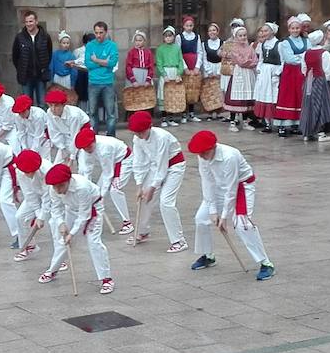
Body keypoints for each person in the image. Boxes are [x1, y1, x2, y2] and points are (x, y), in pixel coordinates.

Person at [187, 130, 275, 281]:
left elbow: (231, 189)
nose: (200, 156)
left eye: (203, 152)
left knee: (242, 225)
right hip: (219, 188)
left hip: (241, 187)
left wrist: (224, 217)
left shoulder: (230, 156)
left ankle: (265, 263)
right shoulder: (203, 157)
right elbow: (207, 183)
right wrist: (213, 211)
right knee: (201, 218)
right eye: (199, 153)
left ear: (213, 147)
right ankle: (208, 255)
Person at [41, 163, 114, 294]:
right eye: (55, 187)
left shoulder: (82, 187)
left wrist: (72, 233)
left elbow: (83, 215)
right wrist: (61, 223)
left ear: (68, 181)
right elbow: (56, 208)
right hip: (71, 209)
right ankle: (52, 269)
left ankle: (106, 279)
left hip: (92, 209)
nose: (58, 190)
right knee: (63, 241)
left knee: (94, 242)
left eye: (61, 186)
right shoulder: (53, 188)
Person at [128, 110, 187, 252]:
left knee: (166, 202)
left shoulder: (161, 137)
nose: (139, 136)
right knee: (143, 198)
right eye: (136, 133)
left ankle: (179, 240)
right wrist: (139, 185)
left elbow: (162, 165)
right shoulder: (137, 139)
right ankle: (142, 232)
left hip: (174, 165)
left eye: (141, 132)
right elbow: (139, 161)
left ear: (149, 127)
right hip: (156, 166)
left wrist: (153, 188)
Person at [74, 127, 134, 235]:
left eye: (89, 147)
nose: (87, 150)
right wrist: (87, 188)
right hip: (111, 164)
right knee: (95, 191)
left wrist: (101, 196)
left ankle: (127, 222)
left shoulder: (105, 148)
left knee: (114, 189)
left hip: (123, 160)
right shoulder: (85, 150)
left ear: (94, 141)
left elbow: (108, 174)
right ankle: (94, 218)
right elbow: (86, 169)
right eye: (84, 148)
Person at [12, 148, 55, 263]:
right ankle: (29, 246)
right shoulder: (20, 170)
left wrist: (42, 217)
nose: (28, 174)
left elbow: (48, 195)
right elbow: (28, 193)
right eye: (26, 172)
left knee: (53, 224)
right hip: (35, 195)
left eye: (30, 171)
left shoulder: (47, 170)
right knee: (20, 217)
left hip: (53, 196)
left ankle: (59, 256)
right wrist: (37, 213)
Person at [299, 29, 330, 142]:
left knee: (308, 104)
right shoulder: (324, 53)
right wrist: (329, 80)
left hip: (309, 81)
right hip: (320, 81)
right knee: (320, 105)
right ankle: (321, 133)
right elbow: (328, 70)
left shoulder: (306, 53)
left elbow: (303, 69)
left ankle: (307, 133)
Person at [274, 17, 309, 137]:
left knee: (299, 97)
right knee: (287, 96)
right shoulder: (285, 42)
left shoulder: (306, 41)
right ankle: (282, 124)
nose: (295, 30)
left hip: (302, 72)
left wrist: (301, 57)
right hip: (289, 73)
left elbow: (308, 54)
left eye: (297, 28)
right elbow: (289, 59)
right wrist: (302, 57)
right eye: (293, 28)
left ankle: (296, 123)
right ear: (289, 29)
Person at [11, 11, 52, 108]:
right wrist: (22, 69)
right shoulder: (19, 37)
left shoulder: (45, 36)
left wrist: (43, 67)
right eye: (26, 22)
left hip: (40, 76)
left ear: (36, 21)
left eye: (31, 21)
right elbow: (15, 57)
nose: (29, 24)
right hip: (26, 76)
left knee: (42, 104)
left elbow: (49, 54)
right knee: (27, 105)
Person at [84, 21, 119, 135]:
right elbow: (88, 64)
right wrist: (104, 62)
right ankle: (94, 137)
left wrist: (96, 60)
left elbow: (113, 63)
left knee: (110, 113)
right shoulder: (90, 45)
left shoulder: (112, 45)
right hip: (93, 82)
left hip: (107, 82)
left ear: (106, 32)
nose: (98, 35)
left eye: (101, 32)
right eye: (96, 33)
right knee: (92, 112)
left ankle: (111, 137)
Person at [224, 26, 259, 133]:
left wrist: (249, 62)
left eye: (244, 35)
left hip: (248, 74)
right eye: (240, 35)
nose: (243, 37)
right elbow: (240, 61)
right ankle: (232, 122)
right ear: (236, 37)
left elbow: (255, 60)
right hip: (239, 73)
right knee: (236, 97)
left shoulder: (250, 47)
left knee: (246, 98)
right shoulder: (234, 48)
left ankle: (244, 121)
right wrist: (248, 62)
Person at [45, 88, 90, 163]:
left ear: (63, 105)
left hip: (83, 134)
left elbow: (75, 135)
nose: (53, 109)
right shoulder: (49, 112)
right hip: (65, 137)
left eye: (56, 106)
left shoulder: (74, 115)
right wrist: (62, 148)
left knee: (83, 164)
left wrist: (72, 157)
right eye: (50, 105)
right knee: (56, 165)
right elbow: (53, 132)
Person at [253, 22, 282, 133]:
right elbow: (261, 59)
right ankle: (267, 123)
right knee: (264, 97)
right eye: (263, 31)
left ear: (272, 31)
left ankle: (278, 123)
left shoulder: (279, 44)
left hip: (273, 73)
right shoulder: (263, 44)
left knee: (274, 97)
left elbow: (282, 60)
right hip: (264, 74)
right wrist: (259, 69)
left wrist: (277, 72)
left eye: (266, 31)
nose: (264, 33)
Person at [176, 16, 204, 122]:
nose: (189, 27)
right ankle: (183, 114)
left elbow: (199, 52)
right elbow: (178, 53)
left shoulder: (196, 36)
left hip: (194, 63)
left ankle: (192, 113)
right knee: (184, 89)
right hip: (184, 64)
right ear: (183, 26)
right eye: (187, 25)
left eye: (191, 25)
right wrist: (184, 68)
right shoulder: (180, 37)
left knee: (193, 89)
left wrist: (197, 67)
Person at [156, 26, 185, 127]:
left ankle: (171, 117)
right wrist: (164, 75)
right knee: (164, 94)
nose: (168, 38)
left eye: (170, 36)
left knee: (172, 95)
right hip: (166, 72)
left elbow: (180, 61)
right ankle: (164, 118)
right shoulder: (160, 49)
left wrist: (179, 74)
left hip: (174, 71)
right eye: (166, 36)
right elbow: (159, 63)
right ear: (164, 37)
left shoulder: (177, 48)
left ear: (173, 37)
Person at [201, 23, 224, 122]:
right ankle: (210, 112)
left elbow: (224, 58)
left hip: (219, 67)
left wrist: (219, 71)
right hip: (209, 67)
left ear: (217, 32)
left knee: (219, 91)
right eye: (210, 30)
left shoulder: (223, 43)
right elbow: (204, 58)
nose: (212, 32)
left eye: (214, 30)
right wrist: (209, 71)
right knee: (209, 91)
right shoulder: (204, 44)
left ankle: (218, 112)